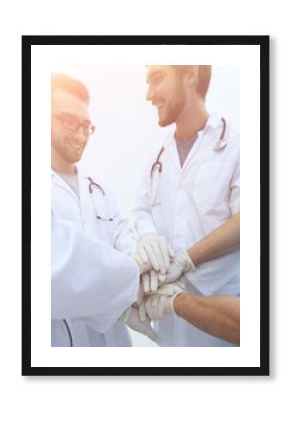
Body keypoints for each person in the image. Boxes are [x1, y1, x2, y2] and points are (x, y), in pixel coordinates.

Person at [133, 65, 240, 346]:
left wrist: (187, 259)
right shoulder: (156, 158)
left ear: (190, 73)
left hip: (223, 324)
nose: (149, 94)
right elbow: (141, 210)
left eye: (157, 79)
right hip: (167, 324)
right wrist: (147, 235)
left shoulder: (238, 144)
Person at [51, 73, 157, 347]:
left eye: (87, 126)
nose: (80, 135)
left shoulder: (100, 190)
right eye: (68, 121)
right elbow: (55, 266)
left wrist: (144, 252)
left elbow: (124, 237)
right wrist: (132, 270)